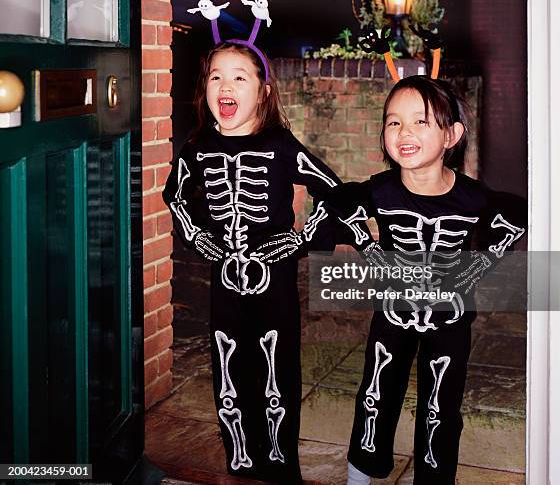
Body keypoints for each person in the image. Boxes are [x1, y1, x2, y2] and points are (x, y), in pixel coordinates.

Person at [325, 76, 526, 485]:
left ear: (451, 134)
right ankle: (359, 476)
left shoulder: (473, 198)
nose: (405, 132)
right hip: (393, 312)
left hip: (450, 318)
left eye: (421, 122)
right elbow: (337, 204)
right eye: (393, 122)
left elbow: (518, 217)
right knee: (376, 394)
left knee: (441, 406)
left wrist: (473, 268)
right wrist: (373, 252)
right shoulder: (380, 191)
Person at [163, 30, 342, 482]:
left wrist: (300, 240)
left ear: (263, 91)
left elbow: (335, 193)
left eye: (239, 77)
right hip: (225, 279)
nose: (225, 86)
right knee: (228, 365)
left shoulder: (280, 145)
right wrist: (198, 236)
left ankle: (281, 460)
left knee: (278, 369)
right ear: (204, 89)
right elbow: (175, 196)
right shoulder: (197, 146)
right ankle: (239, 455)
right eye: (216, 77)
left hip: (273, 279)